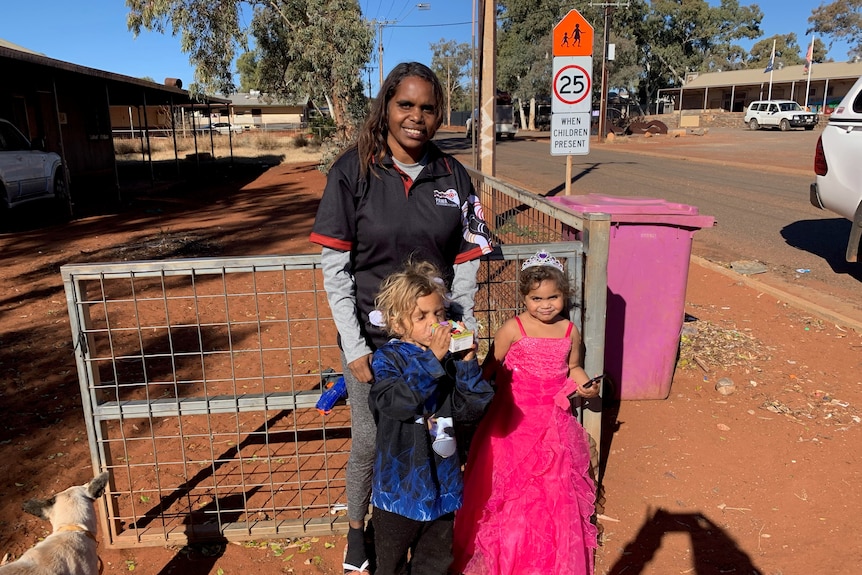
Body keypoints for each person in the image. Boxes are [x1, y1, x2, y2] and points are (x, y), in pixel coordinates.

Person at [309, 61, 493, 575]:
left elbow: (465, 264)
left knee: (438, 432)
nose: (416, 116)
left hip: (435, 337)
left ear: (439, 115)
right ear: (387, 106)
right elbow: (335, 269)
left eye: (427, 107)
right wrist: (354, 347)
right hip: (373, 343)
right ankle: (357, 532)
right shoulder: (353, 170)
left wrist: (460, 330)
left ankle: (430, 527)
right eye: (405, 104)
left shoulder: (454, 176)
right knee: (372, 440)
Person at [452, 250, 601, 575]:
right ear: (524, 297)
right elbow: (490, 367)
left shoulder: (568, 331)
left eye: (553, 297)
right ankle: (506, 557)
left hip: (553, 424)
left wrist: (587, 385)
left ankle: (549, 559)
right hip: (512, 422)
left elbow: (573, 367)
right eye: (536, 298)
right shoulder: (512, 329)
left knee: (552, 491)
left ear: (565, 295)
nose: (545, 304)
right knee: (507, 491)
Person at [367, 260, 494, 575]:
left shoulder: (448, 357)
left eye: (438, 314)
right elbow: (397, 403)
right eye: (421, 316)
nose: (434, 323)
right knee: (391, 565)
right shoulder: (388, 358)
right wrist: (432, 359)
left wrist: (466, 364)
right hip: (399, 488)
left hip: (442, 484)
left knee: (435, 565)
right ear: (397, 323)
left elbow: (471, 410)